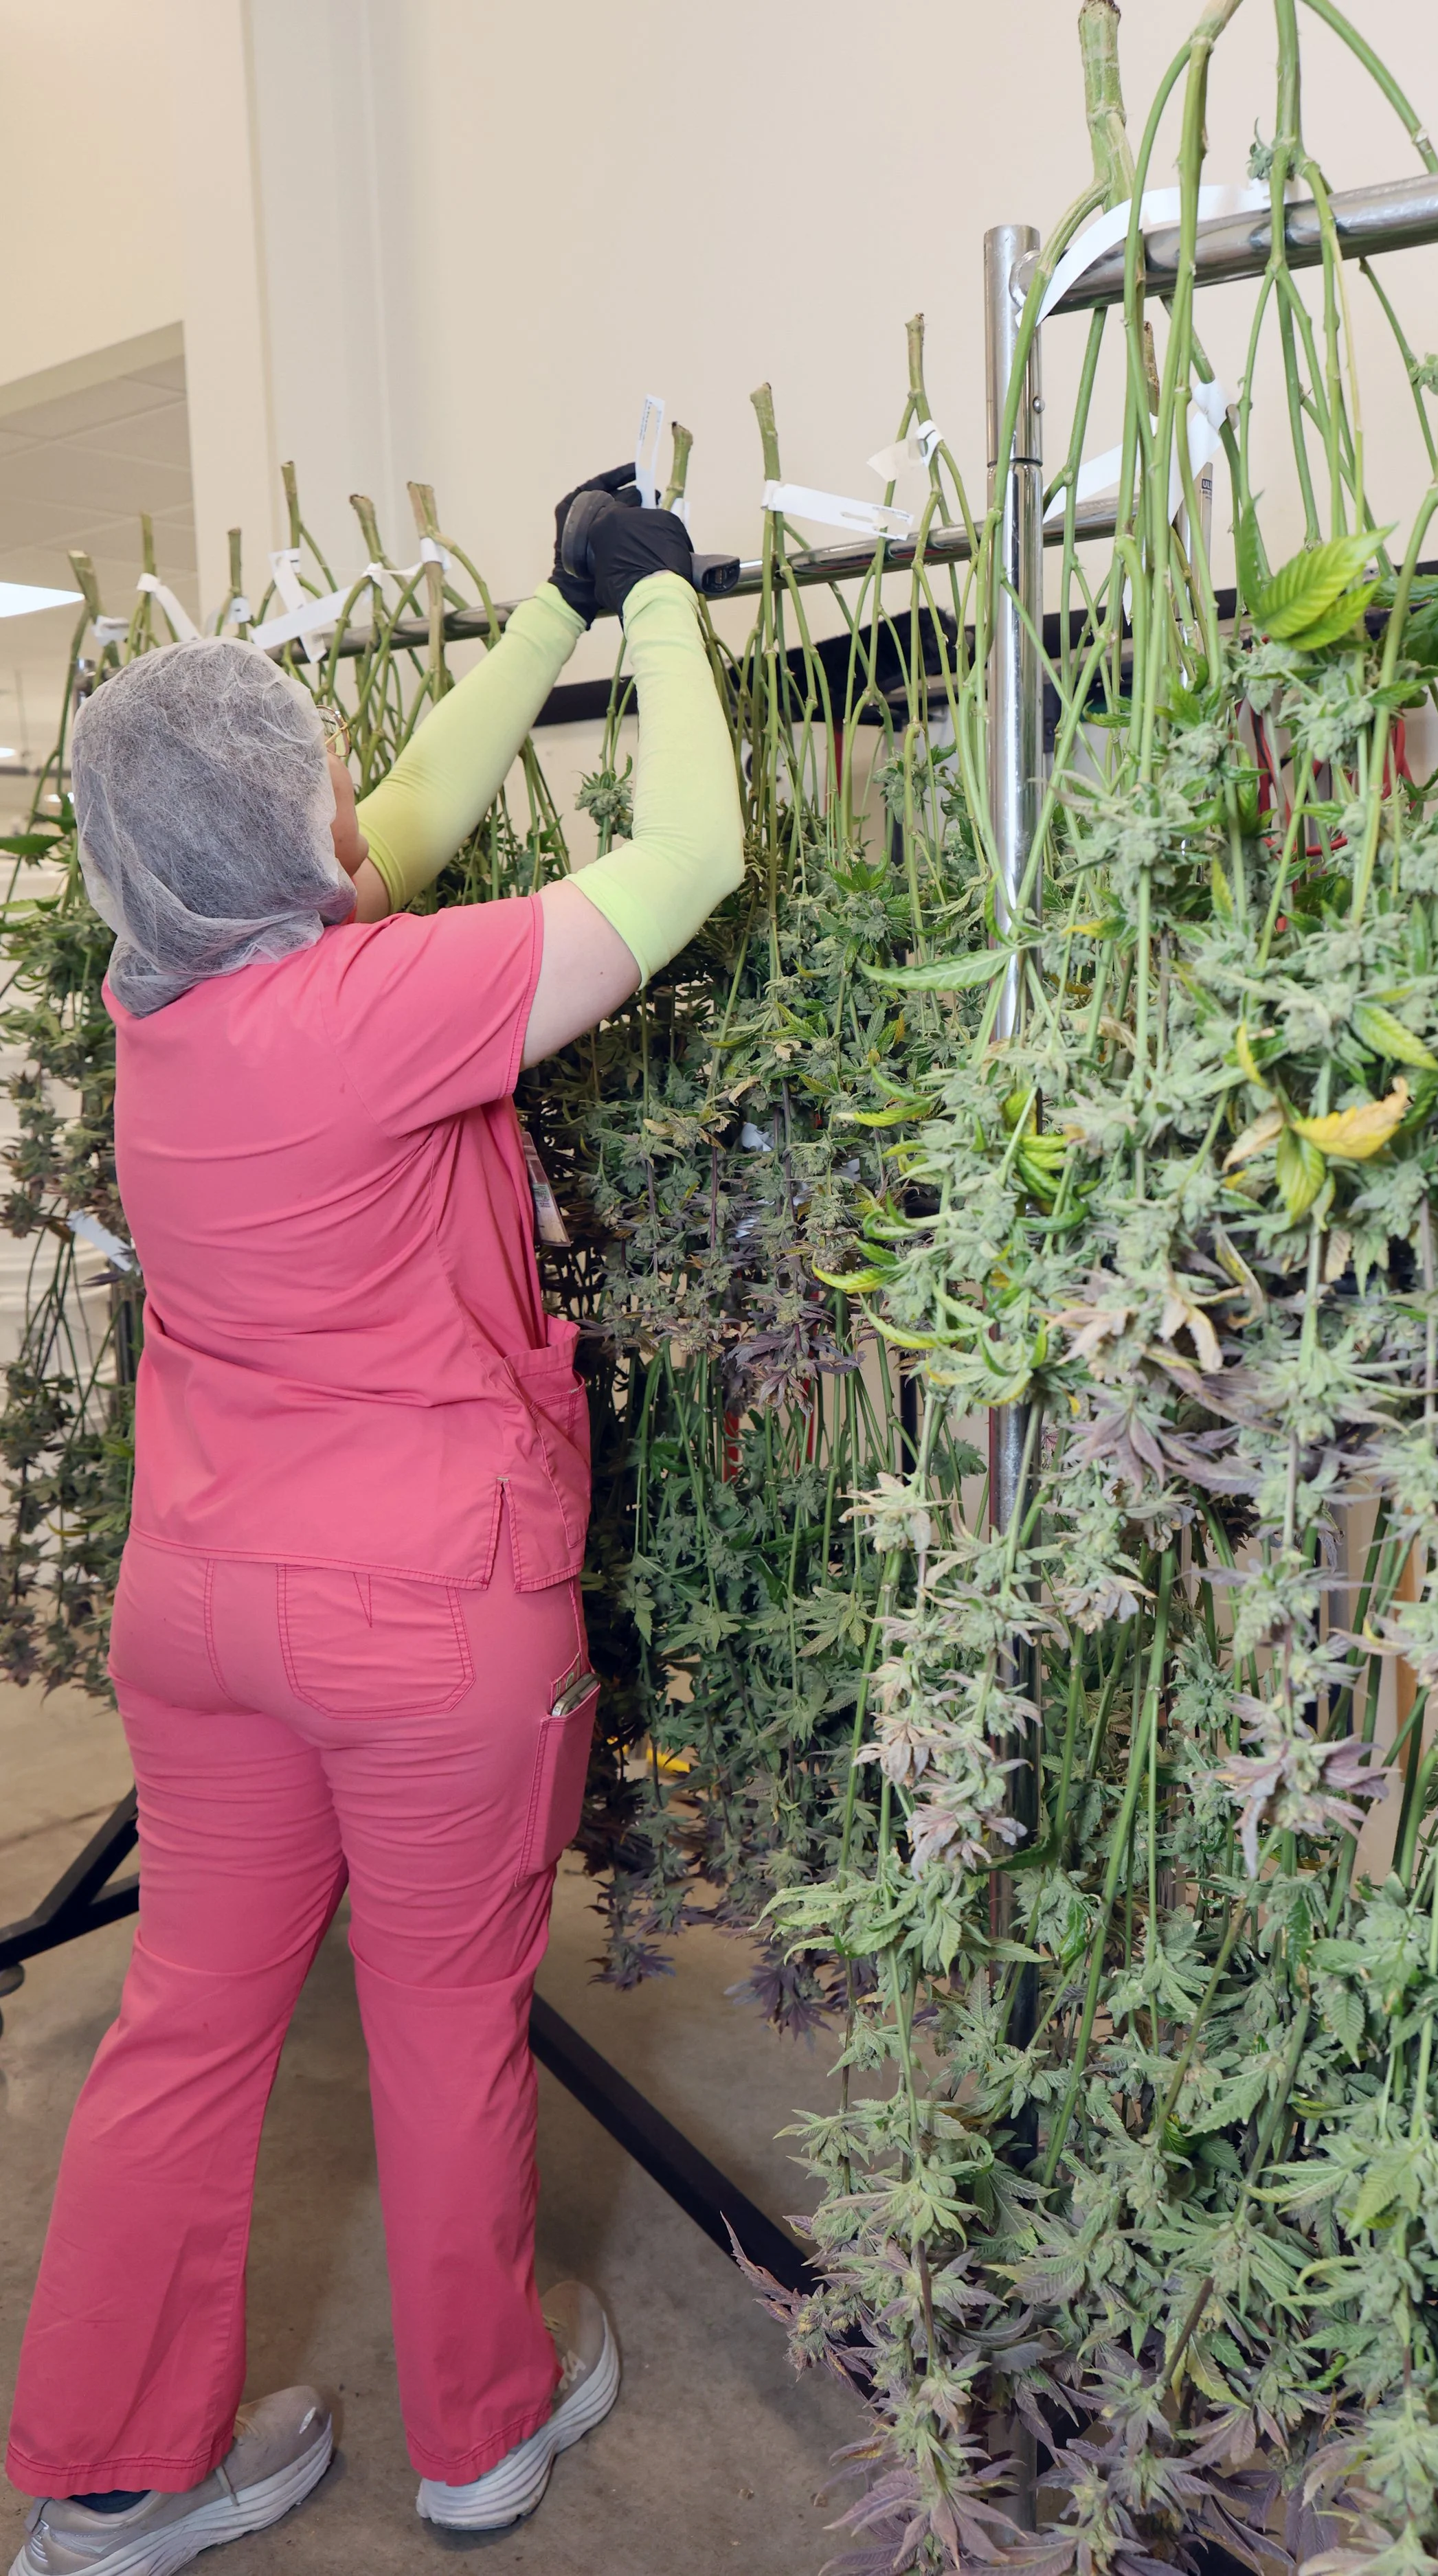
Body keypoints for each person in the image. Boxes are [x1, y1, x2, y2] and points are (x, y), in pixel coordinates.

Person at [4, 478, 743, 2575]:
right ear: (273, 827)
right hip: (423, 1621)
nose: (353, 794)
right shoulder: (380, 1009)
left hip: (204, 1614)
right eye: (315, 767)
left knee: (192, 2015)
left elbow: (394, 816)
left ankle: (115, 2482)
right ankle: (481, 2432)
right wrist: (666, 599)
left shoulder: (169, 1008)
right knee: (438, 2008)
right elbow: (686, 854)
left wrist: (542, 612)